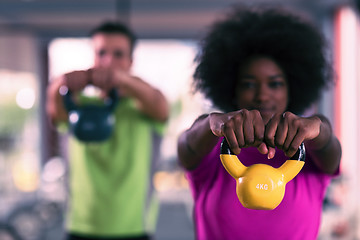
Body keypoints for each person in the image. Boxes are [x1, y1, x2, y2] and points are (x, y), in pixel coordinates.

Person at [177, 6, 342, 240]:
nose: (262, 96)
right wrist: (211, 123)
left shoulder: (309, 152)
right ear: (232, 91)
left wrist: (318, 128)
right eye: (249, 84)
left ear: (291, 89)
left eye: (274, 84)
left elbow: (329, 147)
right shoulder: (213, 148)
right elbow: (186, 147)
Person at [46, 22, 169, 240]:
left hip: (134, 230)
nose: (109, 60)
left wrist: (120, 79)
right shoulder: (79, 105)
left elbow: (159, 104)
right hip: (80, 228)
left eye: (118, 54)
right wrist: (63, 82)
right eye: (101, 53)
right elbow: (55, 109)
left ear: (130, 62)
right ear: (93, 58)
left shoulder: (141, 107)